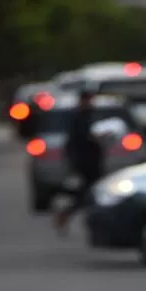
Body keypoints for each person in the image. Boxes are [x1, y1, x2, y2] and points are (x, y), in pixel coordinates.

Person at [54, 89, 104, 235]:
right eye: (88, 100)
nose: (91, 103)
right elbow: (83, 138)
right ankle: (66, 215)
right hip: (86, 161)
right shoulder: (80, 118)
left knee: (89, 193)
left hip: (91, 160)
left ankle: (70, 216)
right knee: (89, 194)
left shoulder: (87, 116)